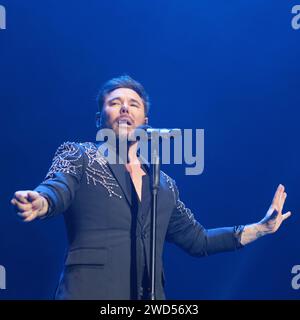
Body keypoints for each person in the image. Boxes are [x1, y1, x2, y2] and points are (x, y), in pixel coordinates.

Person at [11, 75, 291, 300]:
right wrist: (42, 201)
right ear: (100, 119)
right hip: (88, 291)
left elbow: (199, 240)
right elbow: (59, 186)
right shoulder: (80, 154)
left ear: (145, 122)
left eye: (133, 104)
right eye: (115, 102)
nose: (124, 108)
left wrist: (260, 228)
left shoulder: (164, 183)